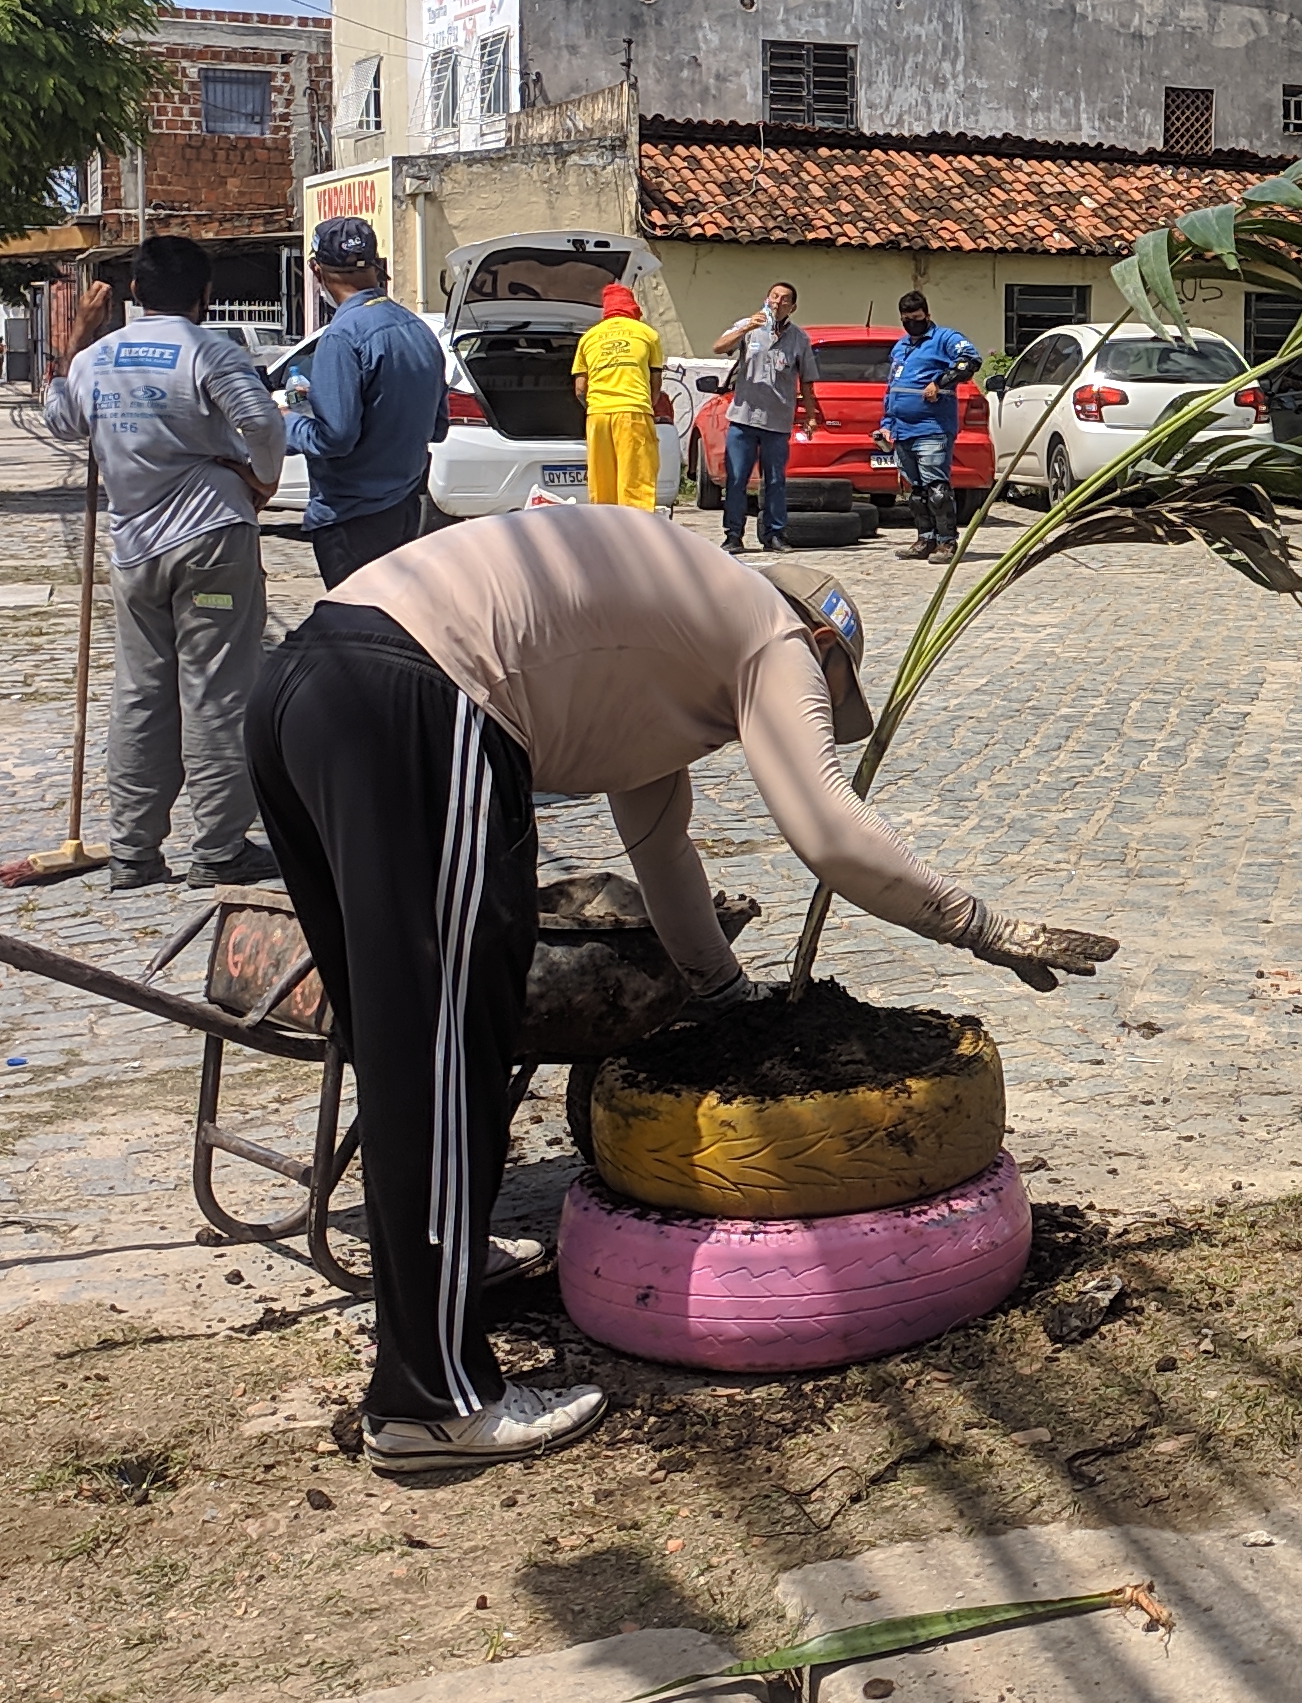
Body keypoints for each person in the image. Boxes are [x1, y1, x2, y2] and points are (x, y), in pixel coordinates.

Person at [248, 508, 1122, 1466]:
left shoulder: (662, 645)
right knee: (447, 1048)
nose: (817, 709)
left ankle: (437, 1269)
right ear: (826, 647)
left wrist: (721, 993)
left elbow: (661, 852)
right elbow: (828, 830)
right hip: (418, 695)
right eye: (831, 694)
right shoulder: (778, 631)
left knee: (398, 1035)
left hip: (302, 684)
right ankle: (431, 1400)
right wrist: (977, 924)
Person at [44, 233, 288, 890]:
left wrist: (74, 339)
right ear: (206, 296)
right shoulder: (210, 351)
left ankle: (133, 851)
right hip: (211, 543)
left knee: (140, 694)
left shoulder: (96, 361)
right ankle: (217, 850)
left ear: (134, 293)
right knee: (217, 689)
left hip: (135, 551)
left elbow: (61, 419)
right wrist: (260, 481)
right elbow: (262, 423)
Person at [287, 215, 447, 588]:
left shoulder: (342, 338)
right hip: (404, 508)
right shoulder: (417, 329)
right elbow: (438, 426)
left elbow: (335, 437)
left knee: (354, 629)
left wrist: (286, 422)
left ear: (316, 270)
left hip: (351, 518)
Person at [710, 280, 825, 553]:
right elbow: (718, 346)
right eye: (774, 296)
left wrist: (810, 416)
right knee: (736, 479)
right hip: (744, 418)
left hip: (777, 421)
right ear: (766, 299)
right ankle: (734, 535)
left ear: (792, 307)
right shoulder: (748, 327)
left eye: (784, 299)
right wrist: (747, 327)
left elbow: (807, 381)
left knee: (775, 480)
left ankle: (774, 534)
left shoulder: (799, 339)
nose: (777, 302)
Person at [882, 289, 983, 558]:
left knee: (936, 488)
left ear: (927, 315)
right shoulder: (901, 346)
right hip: (902, 428)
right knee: (915, 492)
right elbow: (893, 386)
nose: (911, 322)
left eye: (916, 317)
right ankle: (924, 539)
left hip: (932, 427)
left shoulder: (945, 339)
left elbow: (970, 361)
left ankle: (947, 541)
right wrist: (886, 423)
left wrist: (940, 383)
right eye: (906, 318)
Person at [571, 284, 667, 512]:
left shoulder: (589, 337)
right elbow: (656, 380)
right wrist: (648, 405)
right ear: (632, 306)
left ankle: (606, 530)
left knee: (602, 480)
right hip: (633, 411)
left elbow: (580, 387)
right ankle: (637, 532)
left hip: (598, 416)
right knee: (636, 478)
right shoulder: (647, 333)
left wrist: (595, 406)